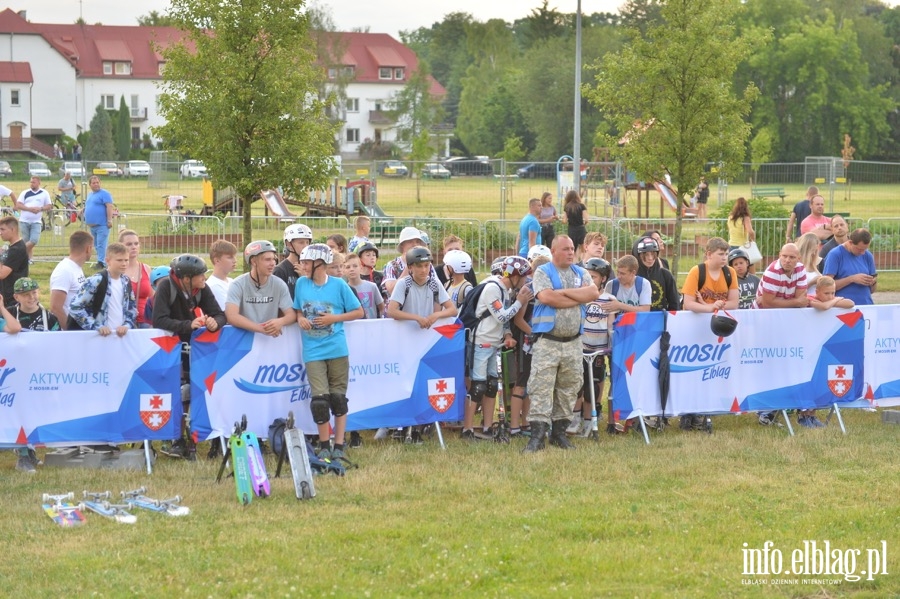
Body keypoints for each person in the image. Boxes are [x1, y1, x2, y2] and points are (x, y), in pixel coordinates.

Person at [522, 235, 599, 453]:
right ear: (554, 251)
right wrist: (578, 298)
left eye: (572, 248)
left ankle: (559, 433)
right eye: (565, 249)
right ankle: (537, 436)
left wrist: (563, 293)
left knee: (569, 388)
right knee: (541, 388)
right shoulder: (543, 272)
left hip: (574, 343)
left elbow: (593, 292)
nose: (570, 252)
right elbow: (547, 298)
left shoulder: (581, 272)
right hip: (548, 342)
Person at [293, 243, 364, 460]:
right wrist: (301, 318)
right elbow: (297, 310)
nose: (302, 266)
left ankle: (339, 445)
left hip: (337, 348)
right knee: (320, 401)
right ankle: (324, 444)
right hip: (313, 350)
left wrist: (334, 318)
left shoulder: (339, 285)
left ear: (320, 264)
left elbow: (358, 312)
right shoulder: (300, 284)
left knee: (338, 398)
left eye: (306, 262)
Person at [153, 254, 227, 460]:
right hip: (169, 347)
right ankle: (175, 439)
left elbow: (220, 314)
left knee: (197, 389)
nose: (205, 278)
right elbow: (158, 320)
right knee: (175, 391)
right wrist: (188, 325)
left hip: (193, 348)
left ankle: (201, 435)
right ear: (186, 278)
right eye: (200, 275)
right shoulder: (166, 287)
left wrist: (215, 323)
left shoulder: (201, 289)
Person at [460, 256, 533, 441]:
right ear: (515, 276)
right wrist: (520, 301)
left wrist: (508, 335)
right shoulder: (493, 288)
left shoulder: (505, 290)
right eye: (524, 277)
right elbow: (501, 316)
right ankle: (467, 429)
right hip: (481, 341)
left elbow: (504, 321)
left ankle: (487, 426)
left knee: (492, 385)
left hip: (495, 343)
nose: (526, 281)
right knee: (478, 386)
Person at [680, 237, 738, 431]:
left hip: (718, 328)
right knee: (692, 371)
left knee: (712, 370)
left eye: (726, 254)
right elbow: (688, 303)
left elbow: (734, 303)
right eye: (720, 254)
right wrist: (710, 307)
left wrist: (707, 305)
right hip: (695, 327)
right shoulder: (697, 272)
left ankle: (704, 412)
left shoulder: (730, 273)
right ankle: (688, 413)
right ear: (709, 254)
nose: (724, 258)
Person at [568, 257, 615, 437]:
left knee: (592, 389)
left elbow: (610, 327)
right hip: (580, 347)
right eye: (588, 276)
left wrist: (610, 344)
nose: (590, 280)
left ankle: (589, 422)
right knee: (576, 385)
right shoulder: (582, 297)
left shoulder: (609, 299)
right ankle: (574, 419)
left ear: (603, 279)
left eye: (594, 277)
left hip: (598, 352)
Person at [226, 240, 295, 338]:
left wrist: (280, 321)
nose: (273, 263)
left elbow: (291, 315)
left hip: (270, 341)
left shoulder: (279, 284)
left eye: (274, 259)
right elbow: (231, 316)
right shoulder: (238, 284)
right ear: (254, 261)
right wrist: (260, 329)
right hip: (245, 341)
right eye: (267, 260)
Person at [68, 242, 136, 336]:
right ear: (107, 261)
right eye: (119, 260)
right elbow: (75, 307)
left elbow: (131, 308)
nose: (124, 264)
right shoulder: (96, 280)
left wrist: (127, 325)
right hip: (99, 337)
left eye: (126, 260)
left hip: (120, 337)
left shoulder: (126, 281)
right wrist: (96, 326)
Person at [49, 230, 92, 329]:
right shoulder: (65, 270)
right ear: (88, 249)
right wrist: (69, 331)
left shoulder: (75, 268)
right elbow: (55, 307)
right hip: (70, 331)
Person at [822, 228, 877, 306]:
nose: (862, 253)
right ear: (850, 242)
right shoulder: (835, 254)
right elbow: (826, 286)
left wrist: (872, 283)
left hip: (866, 305)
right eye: (859, 249)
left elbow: (872, 290)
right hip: (843, 308)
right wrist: (852, 279)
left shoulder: (868, 255)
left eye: (865, 249)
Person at [632, 236, 680, 312]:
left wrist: (671, 321)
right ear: (637, 256)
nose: (650, 258)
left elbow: (675, 304)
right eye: (645, 255)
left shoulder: (665, 275)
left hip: (660, 319)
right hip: (638, 319)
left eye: (653, 254)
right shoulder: (632, 276)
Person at [117, 230, 153, 329]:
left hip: (145, 322)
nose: (134, 247)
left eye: (136, 243)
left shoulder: (146, 268)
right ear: (121, 246)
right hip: (123, 323)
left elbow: (153, 298)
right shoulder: (116, 270)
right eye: (129, 244)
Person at [382, 227, 428, 297]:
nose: (414, 245)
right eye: (410, 241)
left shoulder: (426, 264)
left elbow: (436, 289)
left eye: (417, 242)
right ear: (402, 245)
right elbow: (391, 290)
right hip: (398, 307)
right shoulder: (392, 265)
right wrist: (409, 265)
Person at [16, 176, 52, 263]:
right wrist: (29, 209)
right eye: (31, 182)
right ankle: (29, 259)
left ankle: (17, 253)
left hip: (36, 221)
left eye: (34, 182)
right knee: (27, 241)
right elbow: (18, 205)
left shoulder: (44, 193)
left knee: (34, 240)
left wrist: (40, 209)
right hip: (24, 221)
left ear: (39, 183)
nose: (32, 184)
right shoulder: (25, 193)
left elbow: (49, 205)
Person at [275, 223, 313, 300]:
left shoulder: (312, 267)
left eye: (307, 242)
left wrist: (305, 278)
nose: (306, 246)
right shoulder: (280, 271)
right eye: (301, 242)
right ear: (289, 244)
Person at [84, 175, 115, 269]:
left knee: (101, 244)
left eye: (97, 182)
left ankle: (102, 263)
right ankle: (101, 260)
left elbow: (109, 206)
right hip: (92, 226)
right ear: (90, 185)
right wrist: (83, 209)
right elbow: (90, 205)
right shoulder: (90, 195)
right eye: (94, 183)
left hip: (102, 224)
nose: (96, 184)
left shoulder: (105, 194)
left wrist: (109, 220)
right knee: (97, 245)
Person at [343, 252, 383, 320]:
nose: (352, 269)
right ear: (343, 270)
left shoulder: (372, 286)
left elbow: (382, 308)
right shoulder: (343, 290)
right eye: (348, 267)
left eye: (355, 266)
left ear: (361, 267)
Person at [0, 215, 28, 310]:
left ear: (12, 230)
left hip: (12, 298)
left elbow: (2, 274)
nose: (0, 233)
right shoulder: (12, 247)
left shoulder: (17, 249)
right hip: (6, 295)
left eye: (3, 229)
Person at [726, 197, 756, 273]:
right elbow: (750, 231)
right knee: (750, 268)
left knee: (733, 270)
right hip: (743, 246)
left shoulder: (730, 217)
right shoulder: (745, 218)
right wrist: (752, 239)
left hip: (731, 245)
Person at [207, 239, 237, 310]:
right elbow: (229, 313)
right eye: (230, 257)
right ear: (217, 260)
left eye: (234, 256)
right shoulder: (213, 286)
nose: (235, 260)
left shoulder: (231, 281)